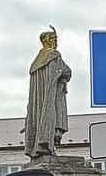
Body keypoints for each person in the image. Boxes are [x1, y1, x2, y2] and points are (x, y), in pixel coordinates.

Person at [24, 27, 72, 157]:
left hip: (39, 101)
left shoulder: (36, 62)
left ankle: (38, 145)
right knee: (50, 116)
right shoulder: (53, 56)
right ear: (48, 41)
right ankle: (46, 143)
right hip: (53, 97)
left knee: (40, 115)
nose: (56, 42)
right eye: (54, 39)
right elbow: (66, 71)